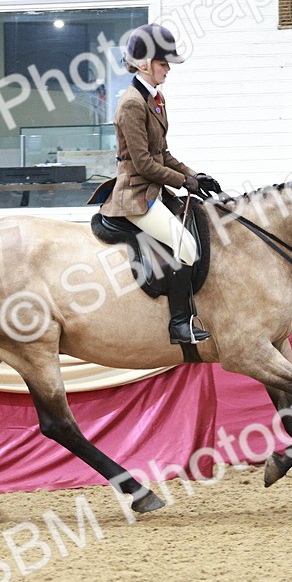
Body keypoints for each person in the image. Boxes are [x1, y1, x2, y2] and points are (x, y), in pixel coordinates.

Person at [90, 23, 222, 345]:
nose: (167, 70)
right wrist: (184, 182)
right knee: (186, 247)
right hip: (135, 195)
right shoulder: (131, 103)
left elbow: (162, 153)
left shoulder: (155, 98)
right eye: (164, 63)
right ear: (145, 63)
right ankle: (179, 324)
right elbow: (144, 164)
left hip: (153, 189)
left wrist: (195, 175)